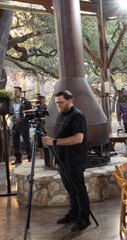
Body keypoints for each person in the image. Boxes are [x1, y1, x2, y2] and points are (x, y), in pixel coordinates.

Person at [42, 90, 91, 232]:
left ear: (70, 101)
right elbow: (61, 135)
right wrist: (56, 156)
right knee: (70, 190)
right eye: (56, 103)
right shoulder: (61, 115)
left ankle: (84, 219)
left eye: (61, 102)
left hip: (74, 159)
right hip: (63, 159)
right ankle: (74, 213)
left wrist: (54, 141)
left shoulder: (77, 116)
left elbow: (78, 138)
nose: (58, 105)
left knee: (79, 190)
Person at [11, 86, 33, 164]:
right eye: (13, 91)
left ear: (20, 92)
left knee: (26, 140)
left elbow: (30, 114)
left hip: (23, 124)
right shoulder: (12, 102)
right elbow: (11, 112)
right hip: (15, 124)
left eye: (16, 91)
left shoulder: (26, 102)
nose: (14, 93)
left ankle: (30, 157)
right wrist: (13, 118)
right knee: (15, 141)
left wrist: (21, 120)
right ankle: (18, 158)